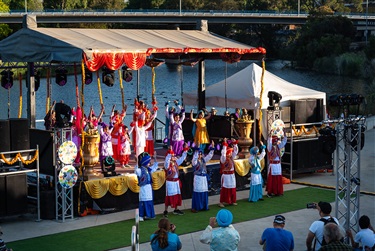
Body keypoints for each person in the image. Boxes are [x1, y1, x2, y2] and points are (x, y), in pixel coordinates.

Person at [163, 143, 188, 217]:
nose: (174, 157)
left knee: (177, 195)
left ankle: (176, 209)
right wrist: (170, 152)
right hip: (170, 182)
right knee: (168, 196)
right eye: (173, 156)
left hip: (176, 182)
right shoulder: (167, 164)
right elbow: (167, 160)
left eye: (174, 155)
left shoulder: (176, 163)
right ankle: (165, 211)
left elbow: (183, 158)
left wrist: (185, 149)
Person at [191, 141, 215, 213]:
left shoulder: (203, 160)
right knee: (198, 191)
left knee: (204, 191)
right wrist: (197, 149)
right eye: (199, 154)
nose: (199, 155)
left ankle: (204, 206)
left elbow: (210, 156)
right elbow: (195, 158)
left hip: (203, 178)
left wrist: (212, 148)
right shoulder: (194, 161)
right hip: (198, 178)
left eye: (200, 154)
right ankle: (196, 207)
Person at [135, 152, 159, 221]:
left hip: (149, 188)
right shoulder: (140, 170)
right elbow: (136, 171)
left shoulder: (149, 170)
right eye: (148, 162)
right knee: (143, 202)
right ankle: (142, 216)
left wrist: (155, 158)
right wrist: (137, 162)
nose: (149, 164)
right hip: (143, 188)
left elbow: (155, 167)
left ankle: (150, 215)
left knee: (149, 201)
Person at [266, 129, 287, 197]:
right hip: (273, 165)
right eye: (275, 140)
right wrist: (270, 135)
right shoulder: (270, 148)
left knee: (278, 178)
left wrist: (285, 134)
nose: (277, 141)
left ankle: (278, 191)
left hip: (278, 165)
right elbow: (269, 142)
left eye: (277, 140)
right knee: (272, 178)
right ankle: (270, 192)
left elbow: (284, 142)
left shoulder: (278, 146)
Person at [218, 138, 239, 208]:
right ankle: (221, 202)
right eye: (229, 152)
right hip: (226, 175)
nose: (231, 153)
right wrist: (224, 144)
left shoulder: (231, 158)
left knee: (232, 187)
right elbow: (223, 153)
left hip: (232, 175)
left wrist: (234, 143)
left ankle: (232, 201)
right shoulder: (223, 159)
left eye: (231, 152)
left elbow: (236, 151)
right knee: (225, 189)